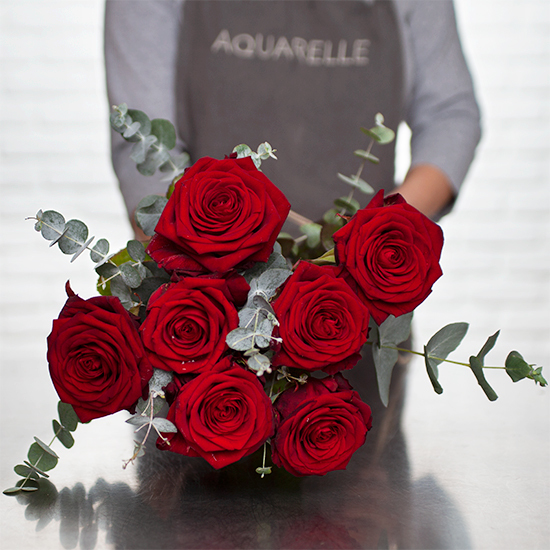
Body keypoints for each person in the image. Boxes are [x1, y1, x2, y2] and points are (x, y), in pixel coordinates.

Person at [104, 0, 481, 227]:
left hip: (357, 314)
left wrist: (376, 242)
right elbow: (142, 141)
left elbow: (450, 113)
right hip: (207, 309)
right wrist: (203, 271)